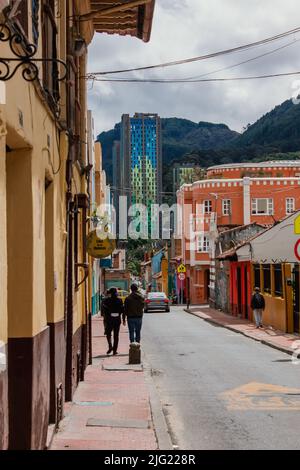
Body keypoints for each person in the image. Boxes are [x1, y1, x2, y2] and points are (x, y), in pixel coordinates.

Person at [101, 287, 125, 355]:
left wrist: (106, 318)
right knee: (116, 335)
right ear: (116, 293)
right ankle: (115, 350)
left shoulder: (106, 300)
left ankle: (110, 346)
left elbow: (104, 311)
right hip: (117, 319)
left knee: (108, 333)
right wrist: (123, 319)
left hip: (109, 320)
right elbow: (122, 310)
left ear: (110, 293)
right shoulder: (119, 300)